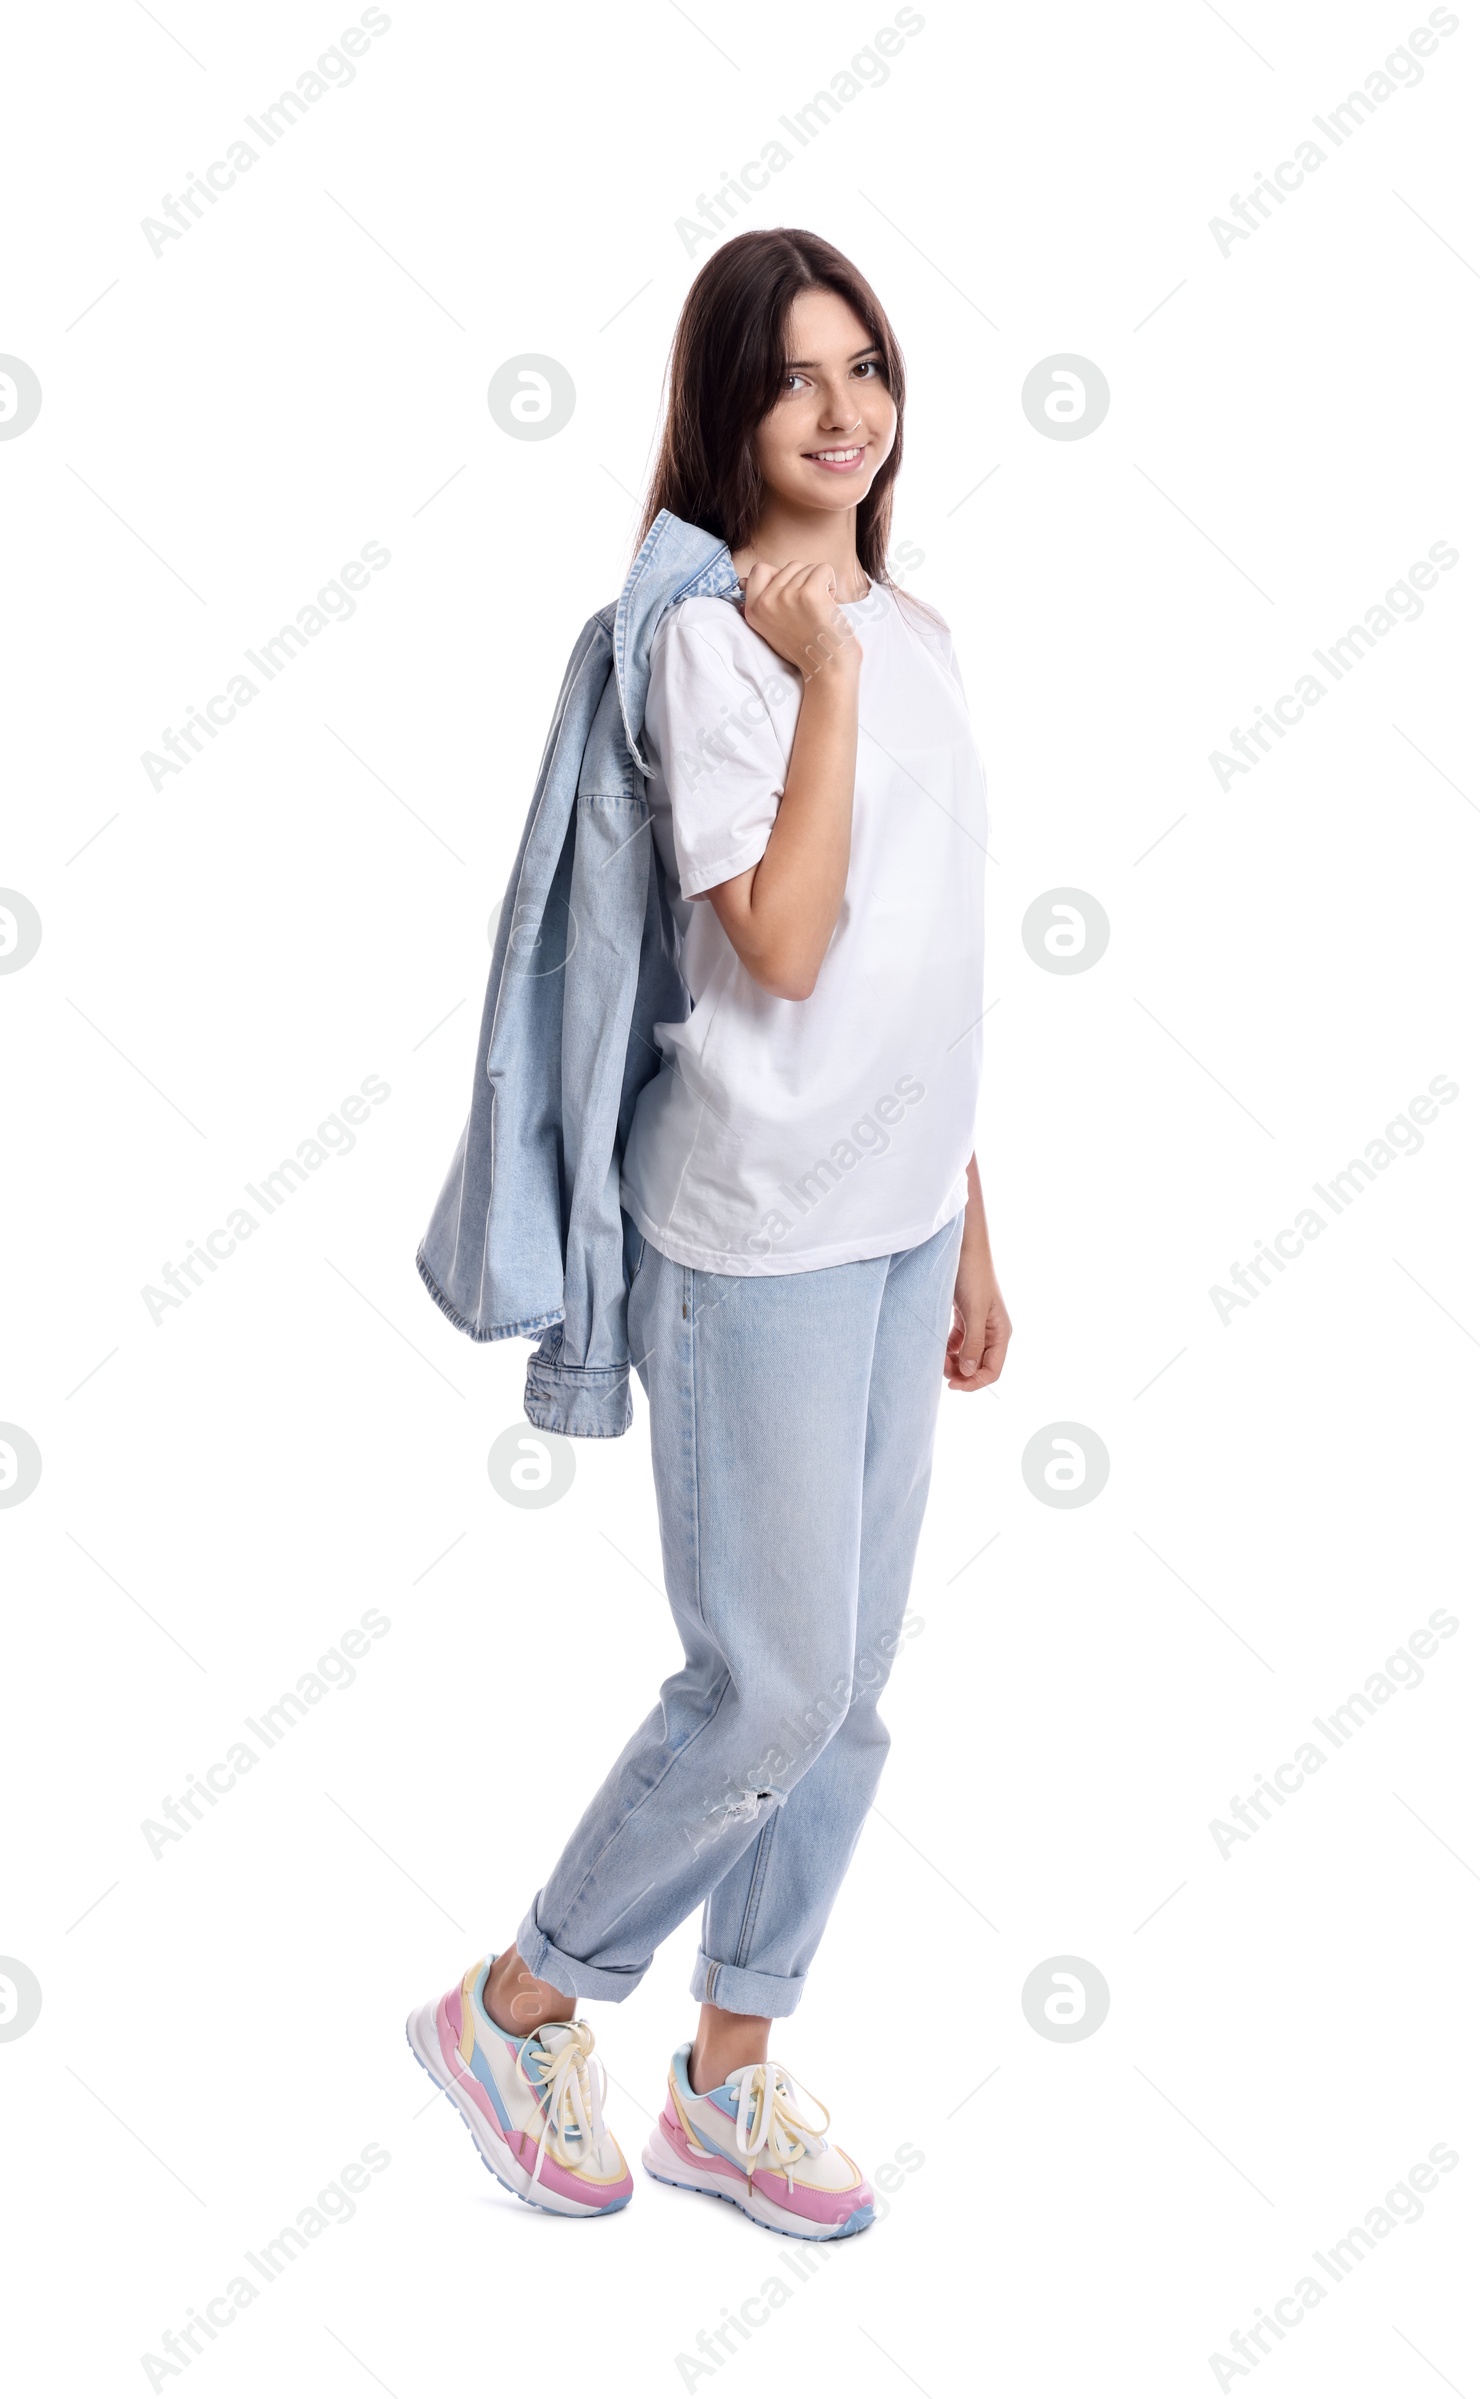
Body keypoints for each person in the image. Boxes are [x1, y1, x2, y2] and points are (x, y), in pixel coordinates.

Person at [408, 227, 1010, 2239]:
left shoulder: (907, 630)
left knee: (843, 1693)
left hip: (898, 1223)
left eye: (868, 369)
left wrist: (972, 1217)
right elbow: (778, 935)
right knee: (761, 1684)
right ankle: (519, 2002)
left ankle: (725, 2079)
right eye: (794, 380)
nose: (843, 413)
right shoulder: (708, 640)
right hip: (749, 1237)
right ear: (726, 409)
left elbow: (918, 967)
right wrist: (813, 664)